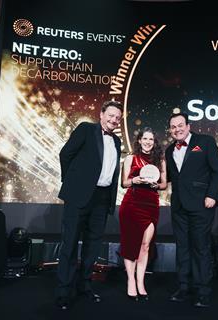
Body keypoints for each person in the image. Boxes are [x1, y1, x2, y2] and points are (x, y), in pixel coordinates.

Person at [55, 100, 123, 310]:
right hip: (79, 197)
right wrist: (73, 182)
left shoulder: (118, 141)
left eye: (117, 117)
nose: (113, 119)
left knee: (93, 246)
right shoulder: (86, 129)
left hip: (102, 199)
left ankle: (84, 286)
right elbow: (65, 154)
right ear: (101, 114)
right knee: (70, 244)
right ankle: (64, 292)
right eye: (110, 115)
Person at [165, 113, 218, 308]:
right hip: (179, 206)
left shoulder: (205, 142)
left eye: (180, 125)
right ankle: (183, 287)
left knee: (201, 247)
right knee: (182, 247)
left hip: (201, 204)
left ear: (188, 126)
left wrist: (212, 196)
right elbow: (171, 178)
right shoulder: (168, 150)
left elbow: (217, 170)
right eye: (173, 127)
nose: (177, 129)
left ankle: (203, 290)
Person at [119, 128, 167, 301]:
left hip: (151, 204)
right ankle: (131, 281)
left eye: (151, 139)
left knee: (145, 245)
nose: (147, 142)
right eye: (144, 138)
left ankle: (141, 283)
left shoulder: (159, 160)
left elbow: (163, 185)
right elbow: (124, 183)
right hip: (132, 204)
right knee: (131, 243)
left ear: (154, 142)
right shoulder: (131, 158)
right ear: (139, 140)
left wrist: (156, 185)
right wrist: (135, 180)